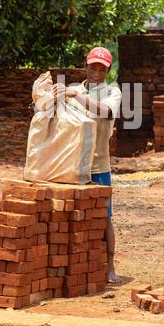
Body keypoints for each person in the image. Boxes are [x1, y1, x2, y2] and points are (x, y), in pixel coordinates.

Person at [53, 47, 122, 283]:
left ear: (107, 71)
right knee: (70, 216)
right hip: (71, 166)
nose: (96, 72)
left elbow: (105, 111)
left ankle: (110, 266)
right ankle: (74, 266)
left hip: (99, 166)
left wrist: (74, 96)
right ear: (86, 66)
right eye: (93, 67)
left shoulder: (112, 92)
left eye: (101, 68)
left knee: (105, 218)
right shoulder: (73, 89)